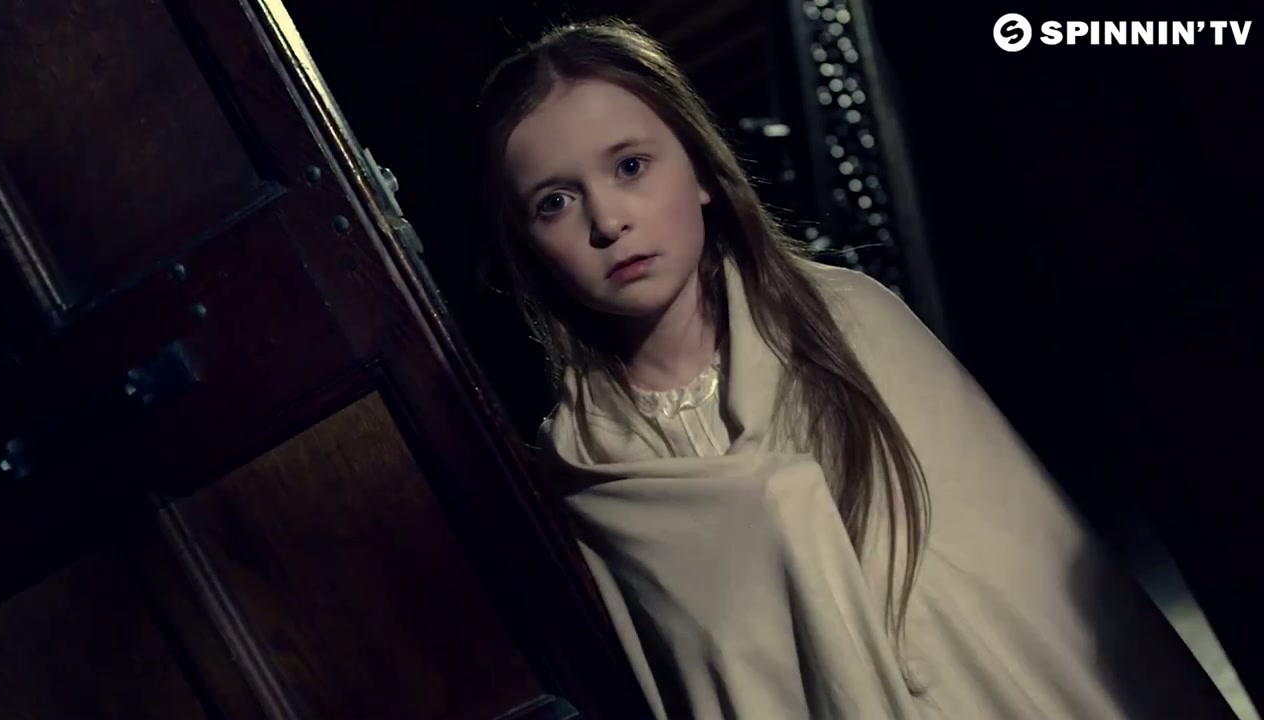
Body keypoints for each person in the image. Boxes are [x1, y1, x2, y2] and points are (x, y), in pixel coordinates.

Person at [475, 18, 1234, 720]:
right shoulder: (584, 466)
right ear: (527, 247)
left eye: (632, 166)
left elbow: (1022, 581)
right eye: (555, 202)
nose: (609, 220)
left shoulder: (845, 322)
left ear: (700, 171)